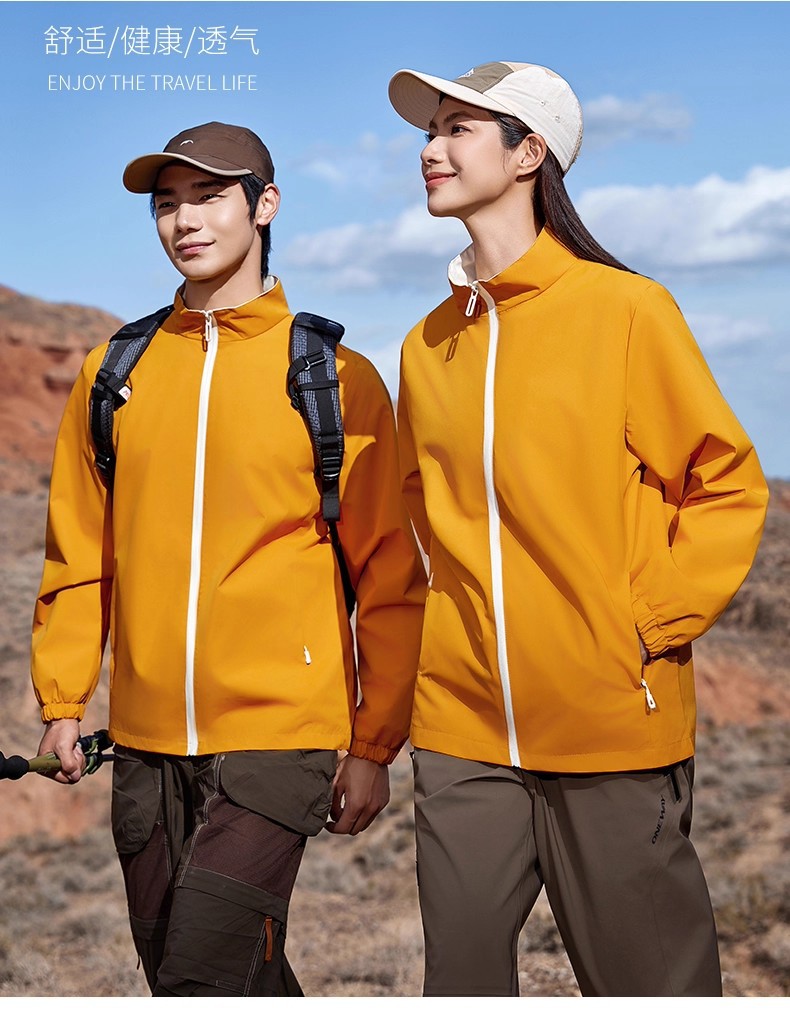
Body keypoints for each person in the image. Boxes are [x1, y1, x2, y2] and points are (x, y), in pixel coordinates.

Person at [388, 61, 769, 997]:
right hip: (464, 727)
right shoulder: (426, 345)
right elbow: (419, 515)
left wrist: (645, 623)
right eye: (430, 131)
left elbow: (724, 481)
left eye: (458, 129)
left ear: (529, 154)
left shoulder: (625, 310)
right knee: (460, 981)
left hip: (609, 719)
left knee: (650, 983)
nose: (431, 148)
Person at [30, 121, 426, 997]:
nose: (185, 220)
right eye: (166, 204)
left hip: (279, 736)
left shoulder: (333, 376)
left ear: (265, 204)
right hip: (144, 739)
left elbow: (389, 579)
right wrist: (63, 700)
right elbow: (80, 553)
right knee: (195, 969)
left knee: (204, 971)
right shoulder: (113, 373)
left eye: (209, 197)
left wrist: (373, 743)